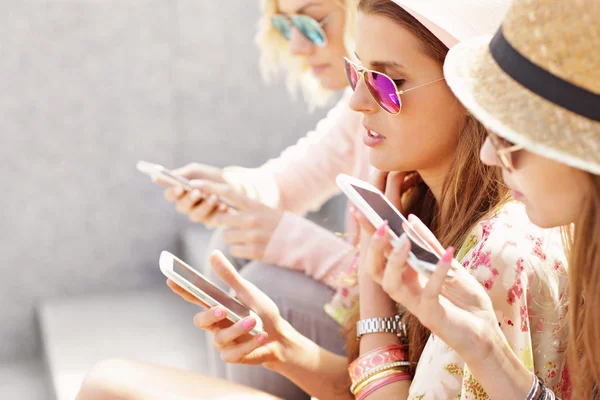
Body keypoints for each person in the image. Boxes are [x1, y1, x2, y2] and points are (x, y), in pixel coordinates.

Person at [76, 1, 565, 400]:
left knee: (109, 385)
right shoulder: (419, 196)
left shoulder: (494, 254)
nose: (357, 103)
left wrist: (373, 299)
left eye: (387, 83)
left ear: (469, 90)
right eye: (358, 74)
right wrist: (278, 345)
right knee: (109, 381)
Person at [363, 0, 599, 398]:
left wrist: (374, 309)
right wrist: (486, 349)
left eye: (509, 133)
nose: (489, 154)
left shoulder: (502, 247)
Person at [158, 0, 365, 398]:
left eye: (315, 22)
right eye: (286, 27)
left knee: (267, 290)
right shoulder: (360, 107)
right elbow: (292, 178)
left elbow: (414, 293)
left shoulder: (396, 112)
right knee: (229, 246)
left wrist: (293, 240)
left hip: (397, 328)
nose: (299, 47)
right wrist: (226, 190)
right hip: (363, 304)